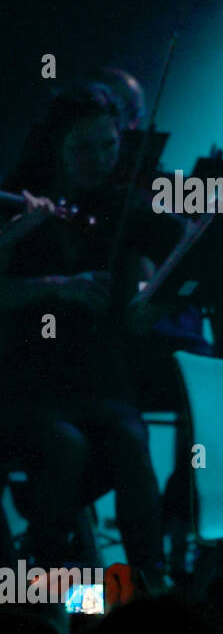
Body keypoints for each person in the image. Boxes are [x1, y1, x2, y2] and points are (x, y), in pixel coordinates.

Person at [0, 83, 184, 585]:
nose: (101, 159)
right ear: (56, 146)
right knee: (66, 447)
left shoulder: (119, 208)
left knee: (130, 438)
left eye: (109, 145)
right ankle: (40, 581)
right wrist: (57, 285)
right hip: (28, 380)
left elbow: (161, 267)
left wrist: (152, 302)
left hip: (98, 379)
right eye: (85, 147)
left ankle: (148, 583)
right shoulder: (20, 199)